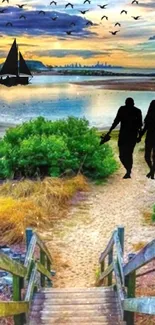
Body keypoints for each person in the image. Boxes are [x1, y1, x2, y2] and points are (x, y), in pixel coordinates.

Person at [106, 97, 142, 179]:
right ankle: (128, 170)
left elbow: (139, 125)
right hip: (127, 135)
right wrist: (110, 131)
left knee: (125, 155)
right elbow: (116, 121)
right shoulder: (136, 110)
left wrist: (110, 131)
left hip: (127, 136)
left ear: (126, 103)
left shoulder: (126, 109)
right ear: (133, 103)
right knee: (124, 155)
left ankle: (128, 171)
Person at [138, 100, 155, 179]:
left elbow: (145, 128)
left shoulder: (149, 117)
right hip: (150, 138)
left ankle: (152, 171)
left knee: (147, 156)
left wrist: (139, 137)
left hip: (150, 138)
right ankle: (152, 171)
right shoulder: (149, 117)